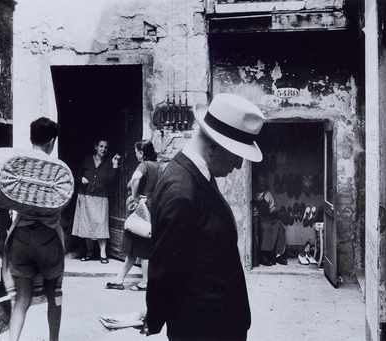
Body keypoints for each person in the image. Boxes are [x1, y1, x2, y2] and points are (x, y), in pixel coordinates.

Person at [145, 93, 265, 340]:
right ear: (213, 146)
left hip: (215, 322)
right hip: (203, 328)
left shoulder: (198, 176)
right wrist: (155, 316)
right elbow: (165, 268)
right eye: (236, 154)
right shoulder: (181, 190)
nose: (239, 165)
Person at [5, 117, 66, 341]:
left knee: (21, 299)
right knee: (55, 296)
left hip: (21, 237)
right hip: (48, 240)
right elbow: (63, 202)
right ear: (51, 141)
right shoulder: (58, 169)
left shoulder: (16, 165)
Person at [106, 140, 160, 291]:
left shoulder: (144, 165)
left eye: (137, 151)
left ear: (142, 153)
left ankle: (145, 282)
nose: (136, 154)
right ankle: (119, 279)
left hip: (141, 210)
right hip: (151, 208)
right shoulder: (158, 166)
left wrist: (135, 196)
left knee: (140, 247)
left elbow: (136, 178)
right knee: (134, 248)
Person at [71, 139, 120, 263]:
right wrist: (80, 178)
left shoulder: (109, 162)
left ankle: (103, 254)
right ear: (96, 147)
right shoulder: (87, 160)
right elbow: (76, 175)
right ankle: (89, 252)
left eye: (105, 147)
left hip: (101, 197)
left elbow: (111, 181)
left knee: (101, 224)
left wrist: (114, 166)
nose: (103, 149)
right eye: (101, 146)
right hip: (85, 195)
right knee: (87, 224)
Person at [254, 176, 287, 266]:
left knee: (280, 226)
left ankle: (278, 254)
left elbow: (272, 208)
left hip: (268, 217)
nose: (262, 185)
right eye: (260, 183)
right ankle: (264, 255)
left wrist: (276, 211)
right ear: (257, 184)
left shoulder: (267, 194)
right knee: (266, 228)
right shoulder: (252, 193)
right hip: (258, 219)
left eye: (263, 183)